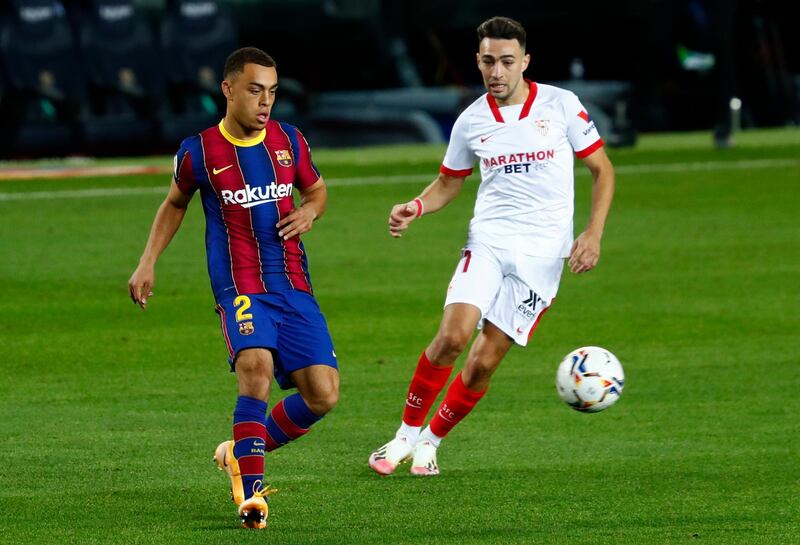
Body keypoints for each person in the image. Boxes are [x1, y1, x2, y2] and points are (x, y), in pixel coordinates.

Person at [368, 16, 615, 477]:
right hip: (489, 241)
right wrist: (416, 207)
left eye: (506, 61)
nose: (496, 72)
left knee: (483, 362)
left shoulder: (562, 106)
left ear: (525, 61)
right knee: (453, 337)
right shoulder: (472, 120)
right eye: (487, 62)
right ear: (478, 63)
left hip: (542, 258)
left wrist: (593, 232)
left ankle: (430, 443)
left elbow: (603, 169)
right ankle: (402, 436)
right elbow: (448, 183)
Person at [128, 47, 339, 528]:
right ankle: (253, 494)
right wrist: (147, 262)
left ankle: (239, 450)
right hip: (239, 287)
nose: (265, 102)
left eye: (271, 92)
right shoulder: (198, 151)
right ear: (228, 90)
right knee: (256, 367)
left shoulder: (289, 140)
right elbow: (175, 204)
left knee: (323, 395)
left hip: (293, 285)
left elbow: (317, 190)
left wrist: (310, 211)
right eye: (254, 90)